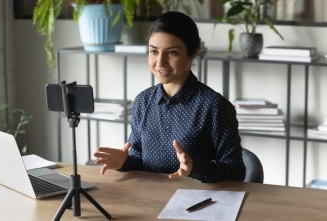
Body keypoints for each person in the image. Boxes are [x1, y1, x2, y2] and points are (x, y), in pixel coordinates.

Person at [93, 11, 245, 183]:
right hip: (149, 197)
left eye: (172, 52)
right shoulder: (143, 101)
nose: (160, 62)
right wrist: (123, 161)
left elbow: (236, 172)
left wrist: (194, 166)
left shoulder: (215, 106)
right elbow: (138, 159)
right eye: (153, 51)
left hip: (197, 201)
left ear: (194, 51)